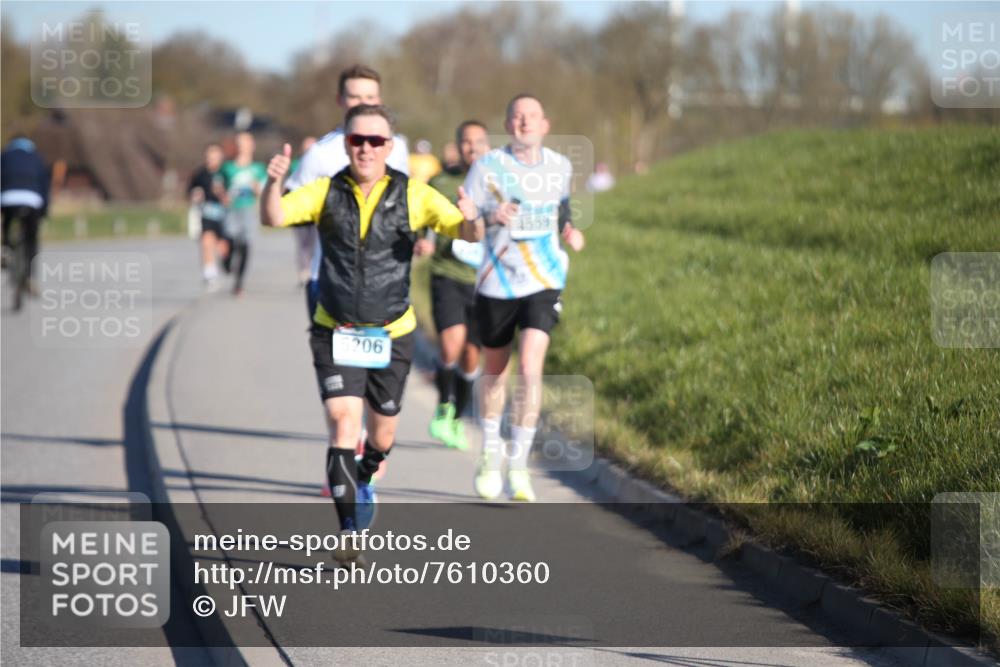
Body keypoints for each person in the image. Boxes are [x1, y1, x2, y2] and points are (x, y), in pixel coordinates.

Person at [261, 104, 483, 561]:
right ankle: (348, 533)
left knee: (381, 439)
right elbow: (274, 218)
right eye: (357, 140)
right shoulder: (324, 192)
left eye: (375, 141)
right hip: (334, 327)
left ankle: (365, 476)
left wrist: (472, 217)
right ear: (346, 143)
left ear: (389, 147)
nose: (365, 148)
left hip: (392, 332)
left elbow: (468, 232)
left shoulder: (413, 195)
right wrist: (271, 183)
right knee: (344, 424)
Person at [463, 94, 585, 502]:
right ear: (507, 123)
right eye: (517, 116)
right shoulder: (486, 168)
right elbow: (464, 226)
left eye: (531, 116)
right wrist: (487, 218)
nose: (524, 122)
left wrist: (570, 231)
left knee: (531, 368)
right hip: (497, 281)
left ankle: (518, 463)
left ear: (545, 124)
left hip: (545, 279)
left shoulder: (560, 166)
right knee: (496, 372)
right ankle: (490, 455)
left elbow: (561, 210)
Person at [284, 64, 410, 319]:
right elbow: (290, 206)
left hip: (387, 282)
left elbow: (407, 202)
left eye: (370, 97)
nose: (363, 103)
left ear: (379, 99)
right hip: (330, 278)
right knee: (331, 359)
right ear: (340, 100)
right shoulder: (320, 153)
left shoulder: (398, 148)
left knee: (383, 360)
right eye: (354, 96)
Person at [416, 121, 491, 451]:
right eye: (466, 141)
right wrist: (421, 242)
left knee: (472, 355)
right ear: (457, 146)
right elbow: (419, 217)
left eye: (478, 142)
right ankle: (444, 404)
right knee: (451, 343)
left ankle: (457, 417)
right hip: (447, 272)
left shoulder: (498, 182)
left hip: (487, 281)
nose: (471, 147)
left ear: (487, 146)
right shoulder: (441, 181)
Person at [219, 132, 266, 297]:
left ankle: (239, 283)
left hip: (249, 209)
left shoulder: (258, 169)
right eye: (239, 143)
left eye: (245, 143)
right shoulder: (227, 167)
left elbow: (264, 192)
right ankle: (226, 261)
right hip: (232, 210)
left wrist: (257, 189)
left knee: (246, 245)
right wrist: (223, 196)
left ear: (252, 145)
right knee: (231, 239)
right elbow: (218, 186)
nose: (242, 146)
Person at [1, 136, 50, 289]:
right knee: (31, 239)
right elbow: (44, 187)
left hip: (8, 198)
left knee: (7, 223)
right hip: (32, 200)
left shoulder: (4, 156)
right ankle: (29, 277)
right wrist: (44, 211)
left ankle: (6, 249)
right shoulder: (37, 158)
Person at [188, 142, 230, 290]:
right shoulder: (200, 173)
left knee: (223, 247)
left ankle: (226, 265)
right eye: (209, 156)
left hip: (224, 214)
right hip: (206, 212)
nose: (212, 159)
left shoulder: (226, 173)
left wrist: (222, 193)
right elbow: (191, 191)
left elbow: (231, 197)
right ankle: (209, 273)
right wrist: (195, 196)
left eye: (215, 156)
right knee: (206, 241)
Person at [291, 135, 318, 286]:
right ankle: (303, 271)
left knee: (314, 242)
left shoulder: (321, 165)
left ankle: (312, 270)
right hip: (300, 209)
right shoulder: (296, 164)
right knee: (302, 243)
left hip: (315, 210)